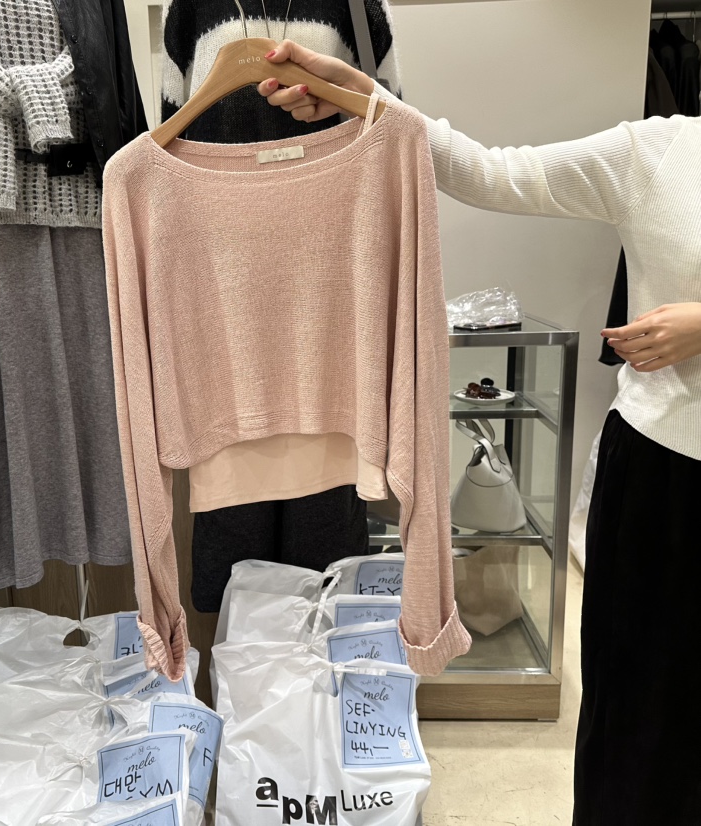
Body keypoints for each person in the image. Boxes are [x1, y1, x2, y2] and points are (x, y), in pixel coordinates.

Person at [256, 40, 701, 826]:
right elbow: (492, 170)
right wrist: (366, 98)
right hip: (664, 472)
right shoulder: (663, 152)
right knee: (639, 709)